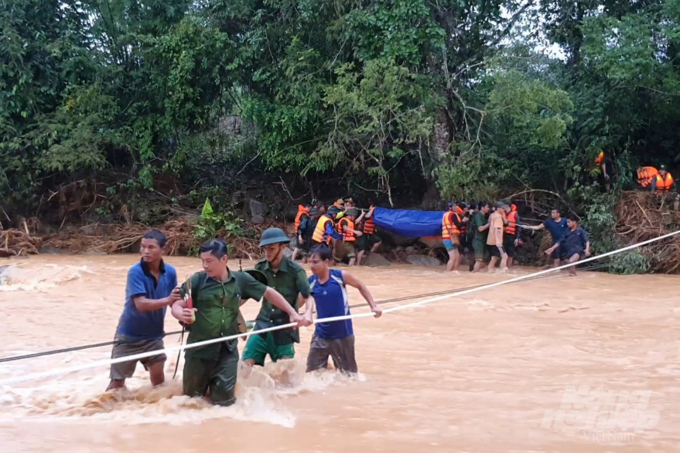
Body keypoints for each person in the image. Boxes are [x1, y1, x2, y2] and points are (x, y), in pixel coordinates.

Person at [171, 239, 309, 406]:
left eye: (209, 261)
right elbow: (177, 304)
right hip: (198, 353)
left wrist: (293, 313)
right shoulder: (197, 280)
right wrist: (181, 314)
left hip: (227, 353)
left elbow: (270, 293)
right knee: (191, 403)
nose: (205, 265)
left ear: (224, 259)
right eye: (202, 261)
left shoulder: (240, 280)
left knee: (225, 404)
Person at [107, 229, 180, 391]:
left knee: (159, 384)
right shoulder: (135, 272)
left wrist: (184, 316)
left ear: (163, 250)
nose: (145, 251)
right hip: (129, 336)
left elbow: (174, 302)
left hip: (154, 337)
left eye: (151, 247)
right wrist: (168, 300)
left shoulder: (170, 272)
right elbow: (141, 303)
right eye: (143, 247)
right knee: (117, 385)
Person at [304, 246, 382, 374]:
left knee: (348, 376)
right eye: (310, 262)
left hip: (342, 335)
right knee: (312, 374)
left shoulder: (339, 276)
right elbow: (300, 301)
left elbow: (360, 286)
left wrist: (373, 305)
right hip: (320, 335)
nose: (311, 266)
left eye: (315, 262)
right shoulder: (310, 282)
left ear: (326, 262)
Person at [243, 229, 311, 367]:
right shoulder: (260, 267)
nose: (267, 252)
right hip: (262, 325)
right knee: (245, 367)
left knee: (286, 377)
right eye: (265, 249)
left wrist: (308, 313)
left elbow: (308, 296)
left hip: (285, 328)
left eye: (272, 248)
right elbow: (247, 293)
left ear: (283, 247)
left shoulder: (296, 271)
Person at [442, 201, 464, 273]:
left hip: (450, 237)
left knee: (457, 257)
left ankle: (454, 272)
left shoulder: (447, 214)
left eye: (456, 206)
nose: (456, 208)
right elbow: (459, 225)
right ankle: (448, 272)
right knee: (453, 257)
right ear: (450, 208)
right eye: (454, 206)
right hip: (449, 238)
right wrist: (464, 221)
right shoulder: (452, 215)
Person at [487, 202, 509, 272]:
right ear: (498, 208)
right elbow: (497, 229)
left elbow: (505, 223)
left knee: (494, 257)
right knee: (505, 256)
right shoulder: (498, 217)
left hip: (490, 240)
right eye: (503, 208)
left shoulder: (492, 215)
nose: (504, 209)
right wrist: (498, 241)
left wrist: (503, 216)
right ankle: (503, 271)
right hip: (496, 241)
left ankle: (489, 271)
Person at [470, 202, 490, 272]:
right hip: (478, 241)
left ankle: (476, 274)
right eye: (487, 207)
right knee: (479, 260)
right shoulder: (478, 216)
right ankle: (474, 274)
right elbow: (480, 228)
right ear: (482, 208)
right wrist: (489, 224)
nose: (488, 209)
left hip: (483, 241)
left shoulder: (483, 216)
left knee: (484, 261)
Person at [503, 203, 520, 268]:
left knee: (510, 253)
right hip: (503, 235)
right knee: (503, 253)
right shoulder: (503, 214)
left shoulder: (515, 214)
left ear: (509, 207)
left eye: (506, 207)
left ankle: (508, 267)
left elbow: (519, 227)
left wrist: (517, 238)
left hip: (511, 236)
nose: (505, 209)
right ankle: (503, 267)